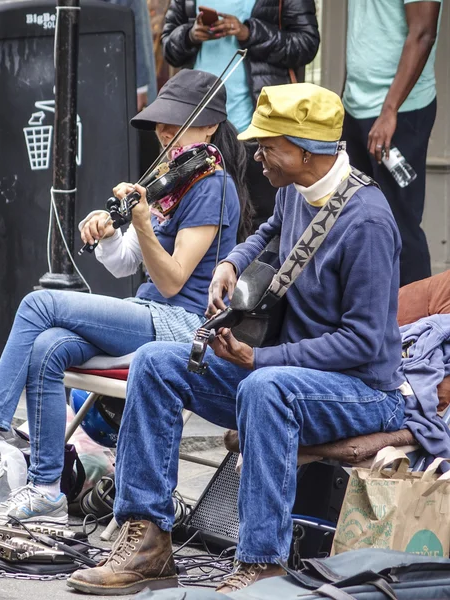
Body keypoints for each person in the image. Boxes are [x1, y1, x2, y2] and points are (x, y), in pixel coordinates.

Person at [67, 83, 406, 595]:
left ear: (309, 151)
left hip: (362, 393)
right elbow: (268, 229)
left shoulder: (370, 223)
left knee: (265, 388)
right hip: (286, 372)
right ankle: (148, 543)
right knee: (158, 361)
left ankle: (261, 567)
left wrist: (261, 356)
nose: (255, 155)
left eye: (269, 146)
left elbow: (361, 344)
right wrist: (231, 262)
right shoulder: (295, 189)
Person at [0, 69, 250, 526]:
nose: (165, 132)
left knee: (38, 304)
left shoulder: (213, 186)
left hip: (179, 325)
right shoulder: (174, 183)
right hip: (146, 312)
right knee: (47, 348)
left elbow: (172, 281)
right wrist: (107, 232)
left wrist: (142, 222)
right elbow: (128, 262)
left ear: (209, 127)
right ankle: (47, 489)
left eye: (178, 122)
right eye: (162, 123)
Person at [161, 0, 320, 227]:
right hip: (198, 132)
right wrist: (190, 35)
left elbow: (307, 44)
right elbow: (168, 47)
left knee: (261, 222)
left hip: (257, 131)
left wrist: (249, 32)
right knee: (201, 221)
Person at [342, 0, 442, 287]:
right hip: (355, 106)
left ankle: (418, 327)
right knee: (354, 219)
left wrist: (390, 110)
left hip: (399, 111)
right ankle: (366, 317)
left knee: (399, 224)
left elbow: (424, 32)